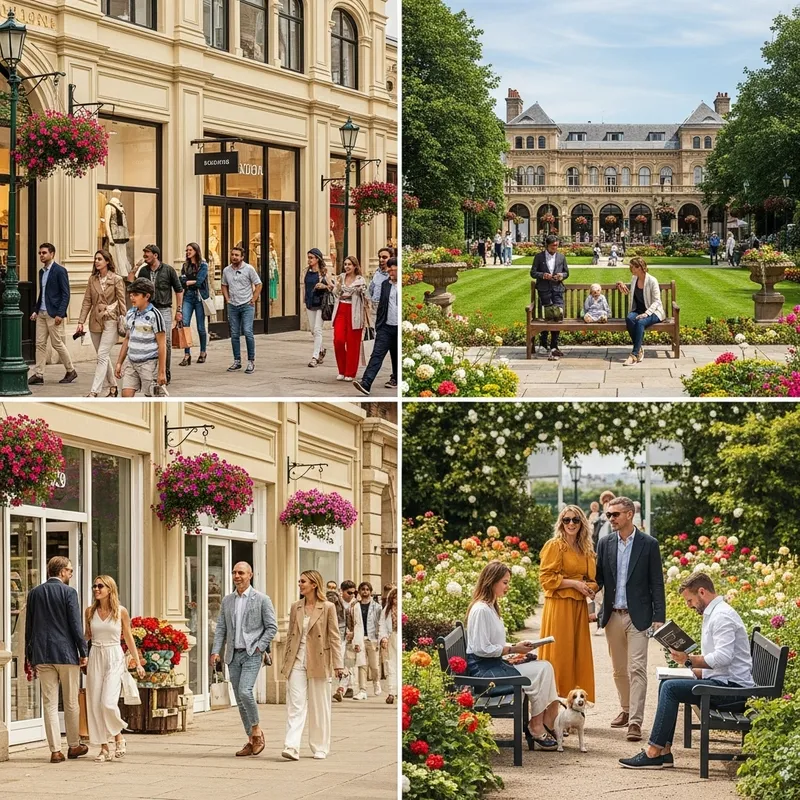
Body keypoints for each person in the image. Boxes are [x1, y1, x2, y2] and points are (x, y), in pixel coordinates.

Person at [619, 573, 754, 769]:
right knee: (667, 683)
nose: (689, 605)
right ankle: (663, 751)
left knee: (671, 689)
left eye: (690, 600)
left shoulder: (722, 616)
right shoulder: (715, 613)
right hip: (725, 682)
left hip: (734, 692)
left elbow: (723, 658)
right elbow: (723, 662)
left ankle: (654, 751)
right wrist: (691, 667)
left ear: (702, 592)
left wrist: (689, 659)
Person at [466, 561, 560, 750]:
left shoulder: (490, 607)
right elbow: (480, 649)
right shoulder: (481, 610)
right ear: (491, 582)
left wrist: (515, 647)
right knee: (543, 670)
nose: (508, 587)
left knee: (544, 667)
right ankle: (539, 724)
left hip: (493, 665)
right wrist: (512, 650)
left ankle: (540, 721)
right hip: (485, 673)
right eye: (505, 582)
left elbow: (492, 644)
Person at [596, 496, 666, 743]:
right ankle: (625, 710)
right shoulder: (604, 543)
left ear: (629, 514)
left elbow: (657, 582)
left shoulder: (649, 544)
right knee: (619, 669)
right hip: (613, 615)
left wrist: (659, 616)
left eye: (614, 514)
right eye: (608, 515)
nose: (611, 519)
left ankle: (635, 722)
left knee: (636, 668)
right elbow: (599, 579)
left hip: (640, 617)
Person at [24, 557, 88, 763]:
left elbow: (29, 626)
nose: (70, 574)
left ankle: (55, 751)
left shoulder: (35, 593)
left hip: (42, 654)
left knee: (49, 703)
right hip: (66, 654)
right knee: (70, 702)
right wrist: (83, 651)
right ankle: (74, 745)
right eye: (69, 570)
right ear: (61, 572)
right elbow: (75, 625)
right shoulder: (69, 593)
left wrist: (29, 653)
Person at [210, 562, 277, 757]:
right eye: (234, 572)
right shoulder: (227, 600)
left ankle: (256, 731)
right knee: (239, 699)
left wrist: (259, 647)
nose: (236, 576)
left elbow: (271, 627)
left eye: (241, 572)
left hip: (251, 653)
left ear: (250, 575)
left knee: (245, 692)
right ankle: (251, 739)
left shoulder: (262, 599)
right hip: (232, 654)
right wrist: (216, 651)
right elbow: (221, 628)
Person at [281, 570, 345, 761]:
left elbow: (334, 636)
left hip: (319, 660)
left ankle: (320, 746)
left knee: (319, 706)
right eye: (299, 581)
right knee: (296, 705)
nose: (300, 584)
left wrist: (338, 664)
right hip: (297, 661)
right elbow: (291, 634)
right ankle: (291, 746)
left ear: (314, 584)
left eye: (303, 581)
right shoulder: (296, 607)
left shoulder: (327, 607)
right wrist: (286, 662)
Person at [538, 506, 598, 703]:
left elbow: (592, 579)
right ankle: (554, 707)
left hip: (579, 607)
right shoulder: (554, 546)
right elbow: (546, 579)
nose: (571, 524)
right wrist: (574, 583)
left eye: (575, 520)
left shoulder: (586, 549)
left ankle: (574, 707)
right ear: (561, 523)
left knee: (578, 657)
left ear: (582, 523)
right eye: (566, 520)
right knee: (560, 655)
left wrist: (589, 588)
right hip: (559, 606)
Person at [84, 575, 145, 762]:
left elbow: (128, 637)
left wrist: (137, 661)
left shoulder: (120, 611)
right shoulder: (89, 612)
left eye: (100, 586)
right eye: (94, 586)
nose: (96, 589)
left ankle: (118, 737)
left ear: (110, 589)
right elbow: (86, 636)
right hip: (95, 655)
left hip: (114, 656)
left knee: (107, 702)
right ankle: (104, 748)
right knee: (94, 703)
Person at [76, 249, 126, 397]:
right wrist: (80, 322)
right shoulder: (92, 280)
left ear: (107, 261)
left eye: (99, 259)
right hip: (95, 321)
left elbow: (122, 302)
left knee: (102, 355)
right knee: (102, 356)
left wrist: (125, 320)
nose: (96, 261)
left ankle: (94, 391)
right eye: (95, 259)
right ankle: (113, 387)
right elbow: (87, 301)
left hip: (110, 320)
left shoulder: (117, 279)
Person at [131, 245, 182, 384]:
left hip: (164, 309)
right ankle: (150, 371)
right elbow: (131, 282)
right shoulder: (143, 271)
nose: (145, 256)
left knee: (166, 342)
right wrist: (136, 267)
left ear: (156, 255)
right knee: (148, 340)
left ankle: (165, 371)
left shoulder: (168, 270)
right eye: (144, 253)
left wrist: (179, 310)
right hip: (148, 309)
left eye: (147, 253)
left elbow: (179, 290)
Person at [28, 243, 77, 386]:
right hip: (42, 313)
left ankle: (70, 370)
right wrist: (36, 311)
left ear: (52, 254)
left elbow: (66, 294)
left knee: (57, 344)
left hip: (54, 314)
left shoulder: (60, 271)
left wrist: (60, 314)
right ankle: (39, 374)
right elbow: (42, 293)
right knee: (40, 344)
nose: (41, 255)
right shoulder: (41, 272)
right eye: (40, 253)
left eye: (44, 253)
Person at [115, 278, 167, 397]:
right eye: (131, 295)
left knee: (152, 397)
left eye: (136, 295)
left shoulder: (155, 315)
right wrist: (119, 362)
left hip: (148, 364)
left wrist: (161, 372)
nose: (132, 298)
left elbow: (162, 345)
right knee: (126, 395)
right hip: (131, 362)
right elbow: (127, 339)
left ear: (147, 296)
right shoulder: (130, 313)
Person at [354, 259, 398, 395]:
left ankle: (397, 378)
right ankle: (366, 383)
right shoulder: (385, 284)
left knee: (396, 356)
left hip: (399, 328)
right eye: (389, 270)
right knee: (377, 355)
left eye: (393, 270)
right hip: (385, 327)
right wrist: (378, 325)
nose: (390, 272)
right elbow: (381, 306)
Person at [616, 257, 665, 367]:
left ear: (639, 267)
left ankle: (633, 355)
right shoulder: (634, 279)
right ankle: (639, 349)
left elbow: (657, 301)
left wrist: (646, 313)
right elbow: (629, 291)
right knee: (629, 318)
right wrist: (620, 284)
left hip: (654, 312)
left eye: (632, 266)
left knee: (640, 322)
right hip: (638, 311)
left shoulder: (652, 281)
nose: (630, 268)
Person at [221, 246, 262, 375]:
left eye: (237, 255)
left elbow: (258, 284)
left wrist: (254, 298)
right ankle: (237, 360)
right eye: (232, 254)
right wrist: (227, 299)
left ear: (242, 257)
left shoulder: (249, 269)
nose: (234, 257)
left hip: (246, 305)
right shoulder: (226, 270)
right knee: (234, 334)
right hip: (233, 305)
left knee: (248, 331)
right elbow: (224, 285)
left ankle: (251, 361)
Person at [530, 235, 569, 360]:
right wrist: (543, 275)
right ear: (547, 245)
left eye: (557, 245)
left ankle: (554, 345)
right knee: (546, 318)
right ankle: (543, 343)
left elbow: (567, 272)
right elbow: (533, 272)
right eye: (553, 246)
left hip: (557, 290)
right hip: (544, 290)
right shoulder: (539, 257)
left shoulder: (561, 257)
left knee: (557, 316)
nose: (555, 247)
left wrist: (561, 275)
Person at [332, 255, 368, 382]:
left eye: (349, 264)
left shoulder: (360, 280)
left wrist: (360, 291)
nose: (347, 266)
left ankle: (350, 372)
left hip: (355, 312)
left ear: (355, 266)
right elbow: (335, 293)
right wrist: (337, 287)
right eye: (345, 264)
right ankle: (341, 370)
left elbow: (365, 295)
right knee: (338, 340)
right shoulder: (340, 278)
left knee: (353, 343)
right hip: (341, 310)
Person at [178, 242, 210, 367]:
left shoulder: (203, 265)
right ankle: (187, 354)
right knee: (185, 324)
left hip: (199, 298)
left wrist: (188, 281)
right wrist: (190, 281)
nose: (188, 252)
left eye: (190, 250)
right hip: (188, 297)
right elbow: (181, 281)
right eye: (186, 250)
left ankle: (203, 352)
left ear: (196, 251)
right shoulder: (185, 265)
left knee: (201, 327)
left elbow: (199, 282)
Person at [352, 581, 382, 700]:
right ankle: (362, 690)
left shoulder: (377, 607)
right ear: (359, 591)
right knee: (361, 665)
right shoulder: (355, 606)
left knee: (374, 665)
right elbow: (353, 622)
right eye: (363, 589)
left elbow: (380, 623)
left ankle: (376, 682)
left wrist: (380, 638)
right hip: (360, 637)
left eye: (367, 589)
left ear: (370, 591)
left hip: (372, 638)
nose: (365, 591)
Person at [304, 248, 333, 368]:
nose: (309, 260)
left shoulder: (324, 272)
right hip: (310, 303)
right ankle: (321, 350)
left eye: (311, 257)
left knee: (317, 329)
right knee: (313, 330)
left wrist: (324, 285)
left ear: (317, 259)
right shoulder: (305, 271)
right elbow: (303, 286)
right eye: (308, 257)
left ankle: (314, 357)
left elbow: (332, 287)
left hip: (321, 303)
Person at [378, 587, 398, 705]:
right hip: (392, 637)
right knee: (391, 665)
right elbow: (382, 625)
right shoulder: (387, 610)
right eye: (394, 598)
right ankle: (392, 691)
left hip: (400, 639)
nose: (396, 600)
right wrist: (384, 637)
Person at [340, 580, 358, 699]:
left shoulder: (357, 604)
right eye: (349, 592)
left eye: (354, 592)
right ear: (342, 591)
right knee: (341, 662)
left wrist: (354, 633)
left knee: (349, 663)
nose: (352, 595)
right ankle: (346, 687)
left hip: (352, 639)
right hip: (340, 637)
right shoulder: (337, 603)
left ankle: (343, 688)